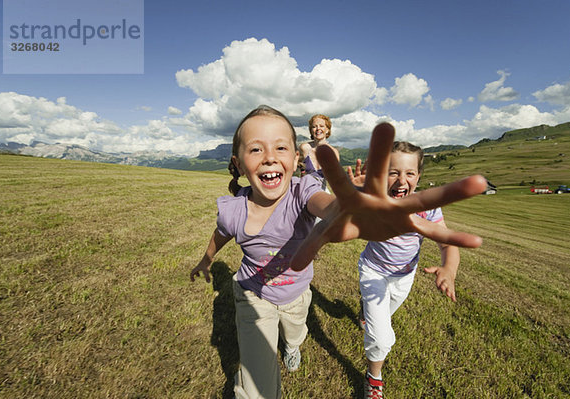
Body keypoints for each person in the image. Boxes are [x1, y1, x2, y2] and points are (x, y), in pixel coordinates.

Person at [190, 105, 486, 399]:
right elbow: (222, 235)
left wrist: (347, 208)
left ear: (295, 160)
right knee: (255, 382)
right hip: (252, 295)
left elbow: (326, 205)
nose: (269, 157)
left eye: (280, 148)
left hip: (297, 293)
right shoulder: (232, 211)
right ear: (238, 163)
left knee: (294, 333)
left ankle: (292, 345)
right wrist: (206, 259)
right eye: (255, 150)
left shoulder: (303, 191)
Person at [348, 142, 462, 399]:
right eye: (393, 172)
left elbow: (446, 241)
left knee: (381, 319)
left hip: (404, 277)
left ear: (418, 176)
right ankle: (374, 378)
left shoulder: (428, 206)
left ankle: (366, 310)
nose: (401, 180)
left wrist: (449, 269)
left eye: (409, 173)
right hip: (373, 271)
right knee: (381, 337)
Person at [300, 114, 339, 191]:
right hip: (304, 190)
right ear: (311, 131)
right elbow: (297, 167)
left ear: (327, 130)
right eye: (314, 127)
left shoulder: (333, 152)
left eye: (321, 126)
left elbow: (336, 180)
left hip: (322, 191)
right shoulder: (304, 148)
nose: (318, 129)